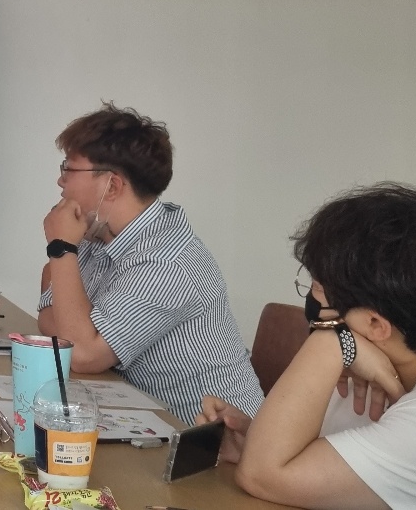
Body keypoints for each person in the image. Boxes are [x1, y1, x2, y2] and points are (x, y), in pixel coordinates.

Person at [200, 184, 416, 509]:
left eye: (319, 290)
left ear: (375, 324)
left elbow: (263, 476)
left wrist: (332, 340)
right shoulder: (378, 359)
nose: (314, 303)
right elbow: (307, 470)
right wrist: (254, 442)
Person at [37, 104, 262, 422]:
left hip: (210, 438)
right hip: (145, 418)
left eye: (69, 170)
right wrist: (74, 327)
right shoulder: (96, 236)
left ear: (112, 186)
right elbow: (53, 323)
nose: (60, 181)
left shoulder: (166, 261)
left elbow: (82, 355)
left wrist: (60, 248)